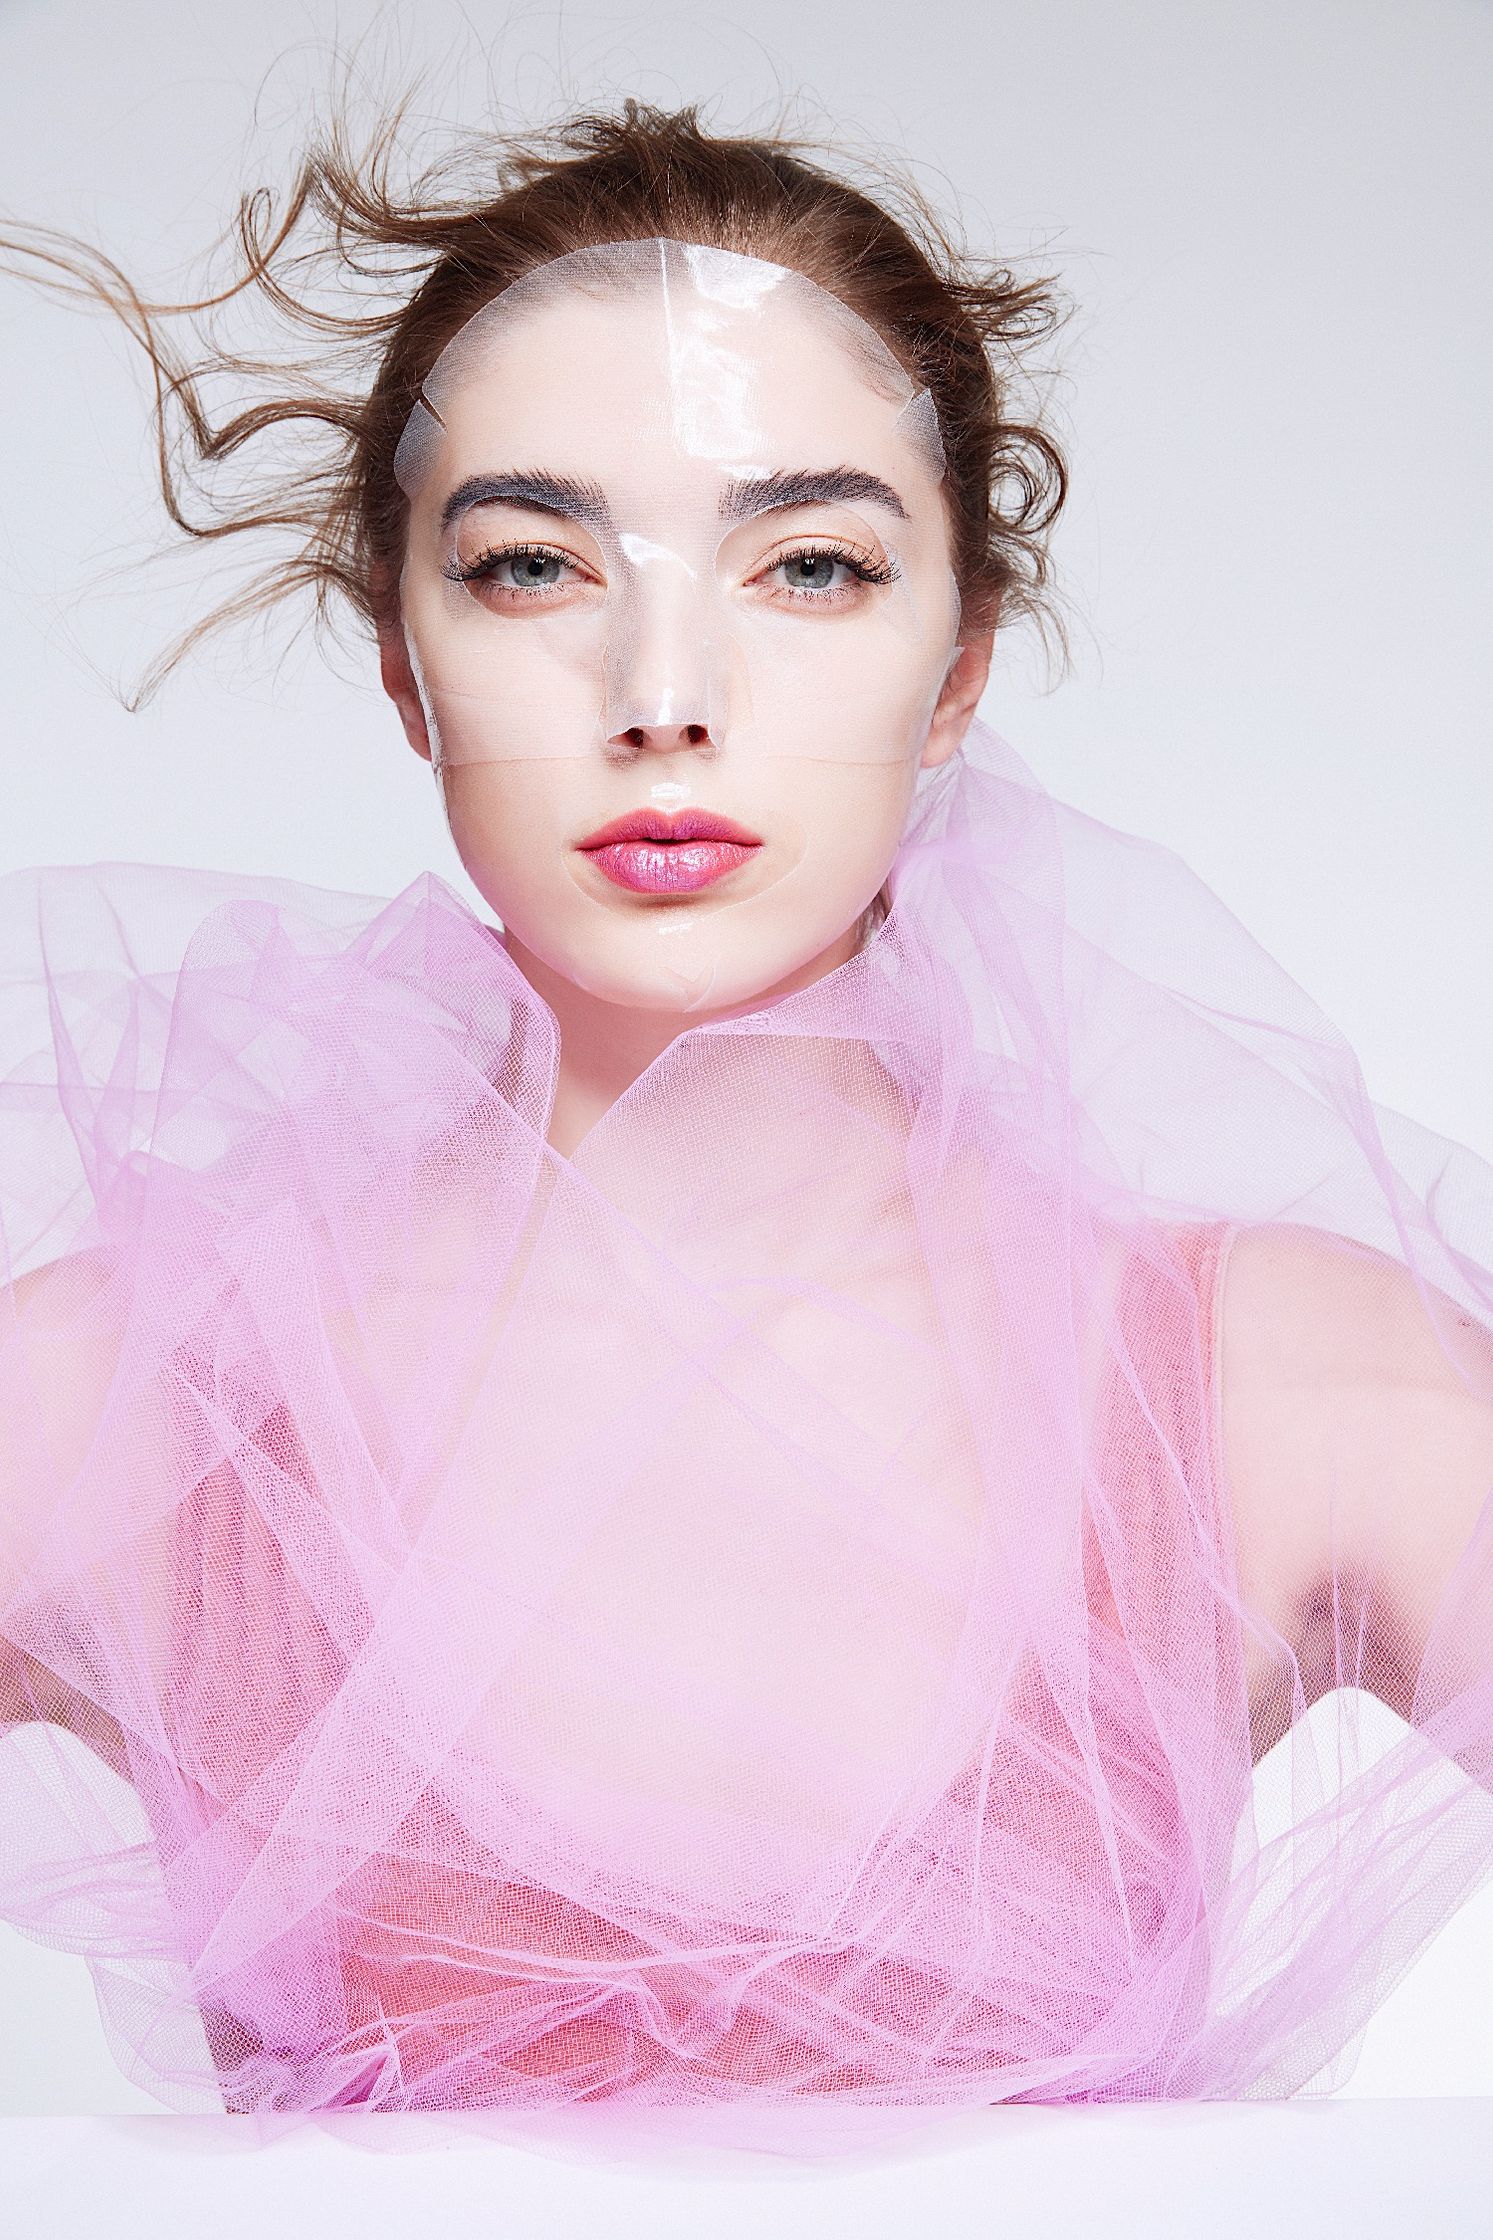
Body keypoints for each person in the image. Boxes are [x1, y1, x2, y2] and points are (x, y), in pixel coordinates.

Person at [0, 99, 1489, 2157]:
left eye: (809, 564)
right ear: (402, 670)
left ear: (956, 665)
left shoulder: (1295, 1388)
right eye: (533, 563)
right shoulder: (107, 1401)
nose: (666, 686)